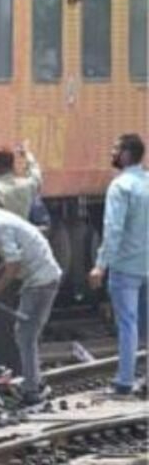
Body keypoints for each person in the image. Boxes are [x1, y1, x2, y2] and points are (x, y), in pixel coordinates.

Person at [0, 183, 62, 405]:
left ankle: (32, 390)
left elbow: (13, 265)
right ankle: (33, 382)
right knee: (24, 333)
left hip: (42, 279)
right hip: (35, 279)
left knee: (25, 334)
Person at [88, 134, 148, 396]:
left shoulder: (120, 186)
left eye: (115, 148)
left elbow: (113, 229)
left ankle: (124, 381)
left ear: (125, 154)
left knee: (127, 323)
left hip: (125, 267)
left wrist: (101, 264)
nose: (111, 152)